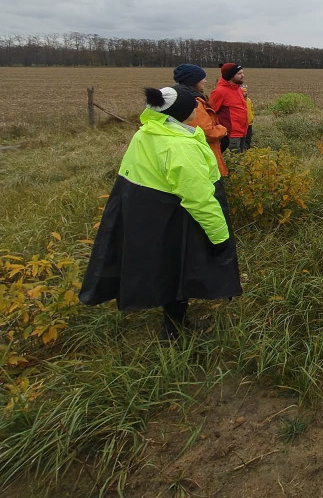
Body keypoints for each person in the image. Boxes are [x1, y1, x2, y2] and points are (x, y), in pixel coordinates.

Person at [78, 85, 241, 340]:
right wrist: (221, 238)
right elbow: (199, 200)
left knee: (167, 268)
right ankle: (174, 331)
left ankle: (173, 324)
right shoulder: (178, 147)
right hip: (173, 215)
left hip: (147, 214)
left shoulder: (147, 133)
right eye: (193, 106)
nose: (198, 108)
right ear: (182, 113)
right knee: (178, 266)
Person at [173, 64, 228, 177]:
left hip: (193, 155)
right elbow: (205, 132)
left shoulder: (180, 98)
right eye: (202, 78)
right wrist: (222, 130)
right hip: (203, 156)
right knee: (214, 190)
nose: (205, 81)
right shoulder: (194, 103)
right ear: (193, 81)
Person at [209, 63, 249, 152]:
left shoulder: (238, 89)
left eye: (242, 73)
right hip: (230, 135)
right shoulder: (219, 92)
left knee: (241, 161)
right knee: (233, 162)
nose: (243, 76)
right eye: (239, 74)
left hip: (242, 132)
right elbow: (210, 112)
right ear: (230, 76)